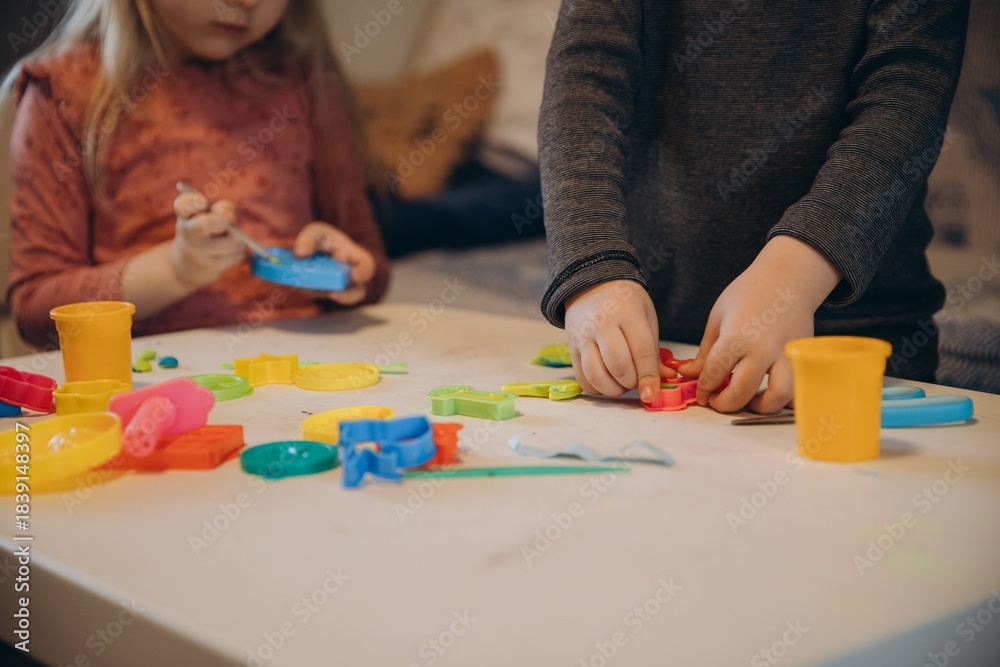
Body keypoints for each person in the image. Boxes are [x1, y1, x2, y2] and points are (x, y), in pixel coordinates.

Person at [539, 1, 969, 413]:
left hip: (855, 347)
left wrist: (794, 277)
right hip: (652, 343)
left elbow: (907, 96)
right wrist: (592, 265)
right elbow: (582, 83)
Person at [1, 0, 389, 350]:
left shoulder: (304, 82)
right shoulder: (63, 94)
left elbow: (372, 270)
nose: (247, 2)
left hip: (306, 370)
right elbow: (36, 313)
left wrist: (345, 272)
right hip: (146, 386)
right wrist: (176, 270)